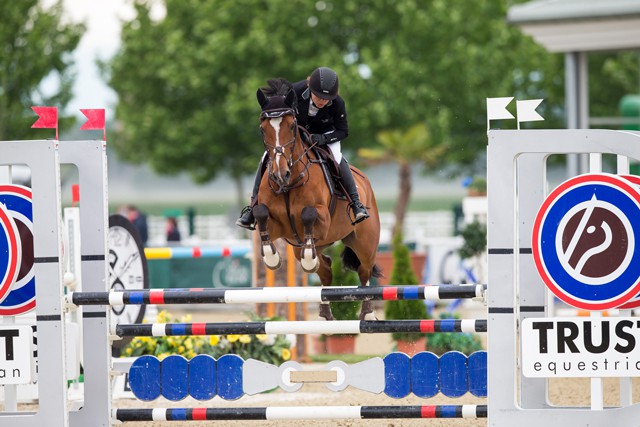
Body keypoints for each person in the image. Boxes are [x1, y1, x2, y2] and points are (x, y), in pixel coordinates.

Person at [236, 66, 369, 230]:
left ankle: (356, 204)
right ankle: (252, 207)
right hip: (295, 135)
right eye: (318, 96)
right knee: (266, 157)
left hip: (325, 136)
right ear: (310, 89)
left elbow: (343, 131)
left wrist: (323, 138)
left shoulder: (337, 103)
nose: (322, 101)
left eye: (326, 98)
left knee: (337, 157)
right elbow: (278, 113)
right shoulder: (296, 92)